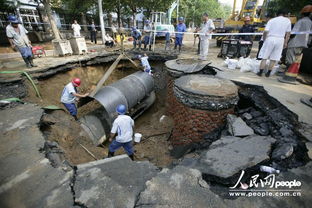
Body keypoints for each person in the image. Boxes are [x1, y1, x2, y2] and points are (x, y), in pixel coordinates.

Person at [257, 10, 291, 77]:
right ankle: (268, 73)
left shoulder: (272, 20)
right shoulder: (288, 21)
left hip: (271, 38)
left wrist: (264, 40)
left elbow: (266, 31)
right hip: (280, 39)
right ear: (285, 14)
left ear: (276, 14)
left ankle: (260, 72)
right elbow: (288, 33)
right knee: (274, 58)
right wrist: (286, 42)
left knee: (265, 57)